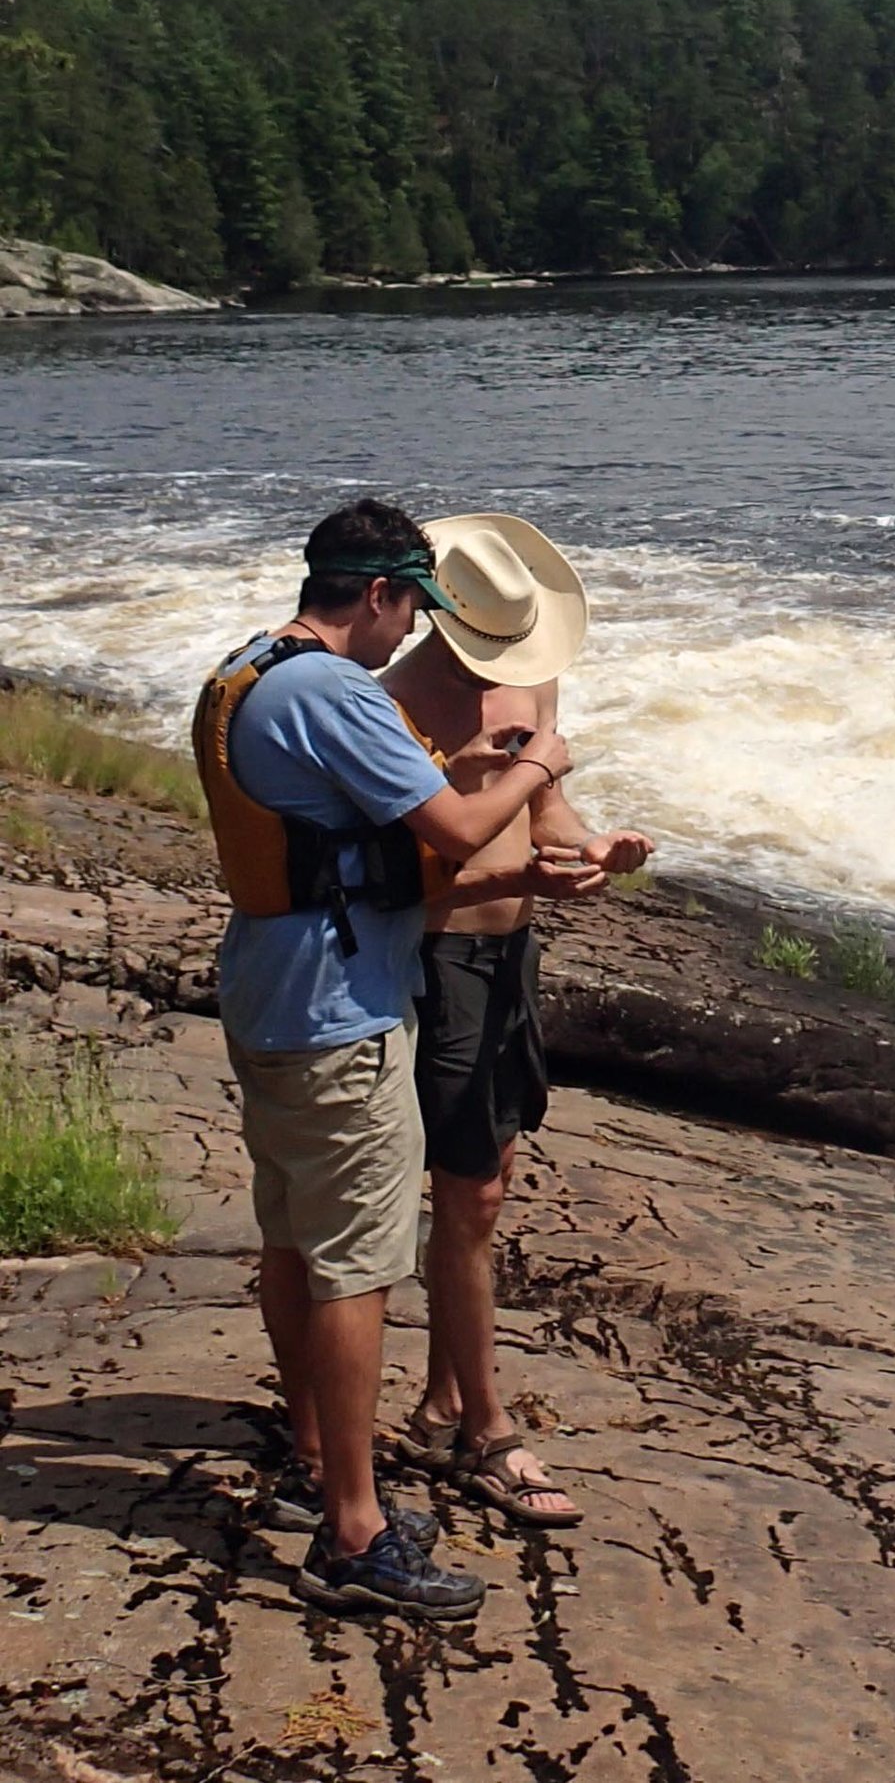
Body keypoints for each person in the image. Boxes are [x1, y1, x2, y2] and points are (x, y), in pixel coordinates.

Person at [195, 498, 575, 1621]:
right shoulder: (338, 688)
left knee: (290, 1233)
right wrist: (539, 760)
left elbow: (332, 825)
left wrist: (456, 767)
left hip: (267, 993)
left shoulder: (248, 670)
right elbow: (457, 834)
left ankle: (316, 1447)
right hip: (338, 1009)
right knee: (356, 1264)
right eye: (411, 606)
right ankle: (354, 1530)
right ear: (377, 593)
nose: (412, 631)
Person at [382, 514, 652, 1529]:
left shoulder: (533, 686)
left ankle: (443, 1399)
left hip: (509, 956)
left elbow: (547, 818)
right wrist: (526, 862)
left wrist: (596, 848)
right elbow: (412, 874)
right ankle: (487, 1431)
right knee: (470, 1196)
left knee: (490, 1180)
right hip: (438, 956)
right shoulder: (394, 705)